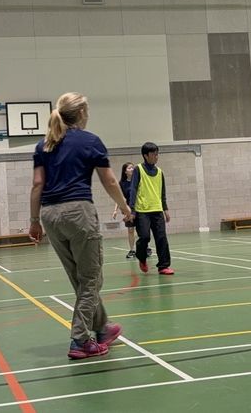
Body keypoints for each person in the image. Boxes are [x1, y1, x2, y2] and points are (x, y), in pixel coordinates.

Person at [29, 92, 133, 360]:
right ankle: (80, 340)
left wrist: (34, 221)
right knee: (91, 279)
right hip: (78, 213)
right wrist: (124, 207)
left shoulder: (44, 145)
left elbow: (38, 184)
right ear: (82, 113)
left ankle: (103, 327)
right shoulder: (90, 141)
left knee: (80, 278)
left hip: (50, 215)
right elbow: (110, 181)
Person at [127, 142, 173, 275]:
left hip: (157, 210)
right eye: (154, 154)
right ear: (146, 156)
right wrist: (132, 210)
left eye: (157, 154)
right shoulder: (138, 169)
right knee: (144, 237)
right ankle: (142, 258)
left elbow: (162, 193)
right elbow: (133, 189)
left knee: (161, 238)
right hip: (142, 211)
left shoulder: (160, 172)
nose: (156, 156)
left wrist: (165, 210)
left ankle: (163, 266)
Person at [112, 162, 150, 259]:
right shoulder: (122, 183)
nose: (132, 169)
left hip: (140, 208)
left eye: (133, 168)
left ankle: (146, 248)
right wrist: (115, 210)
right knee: (130, 230)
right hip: (129, 210)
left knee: (143, 229)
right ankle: (132, 250)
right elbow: (119, 198)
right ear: (125, 171)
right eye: (129, 168)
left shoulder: (139, 181)